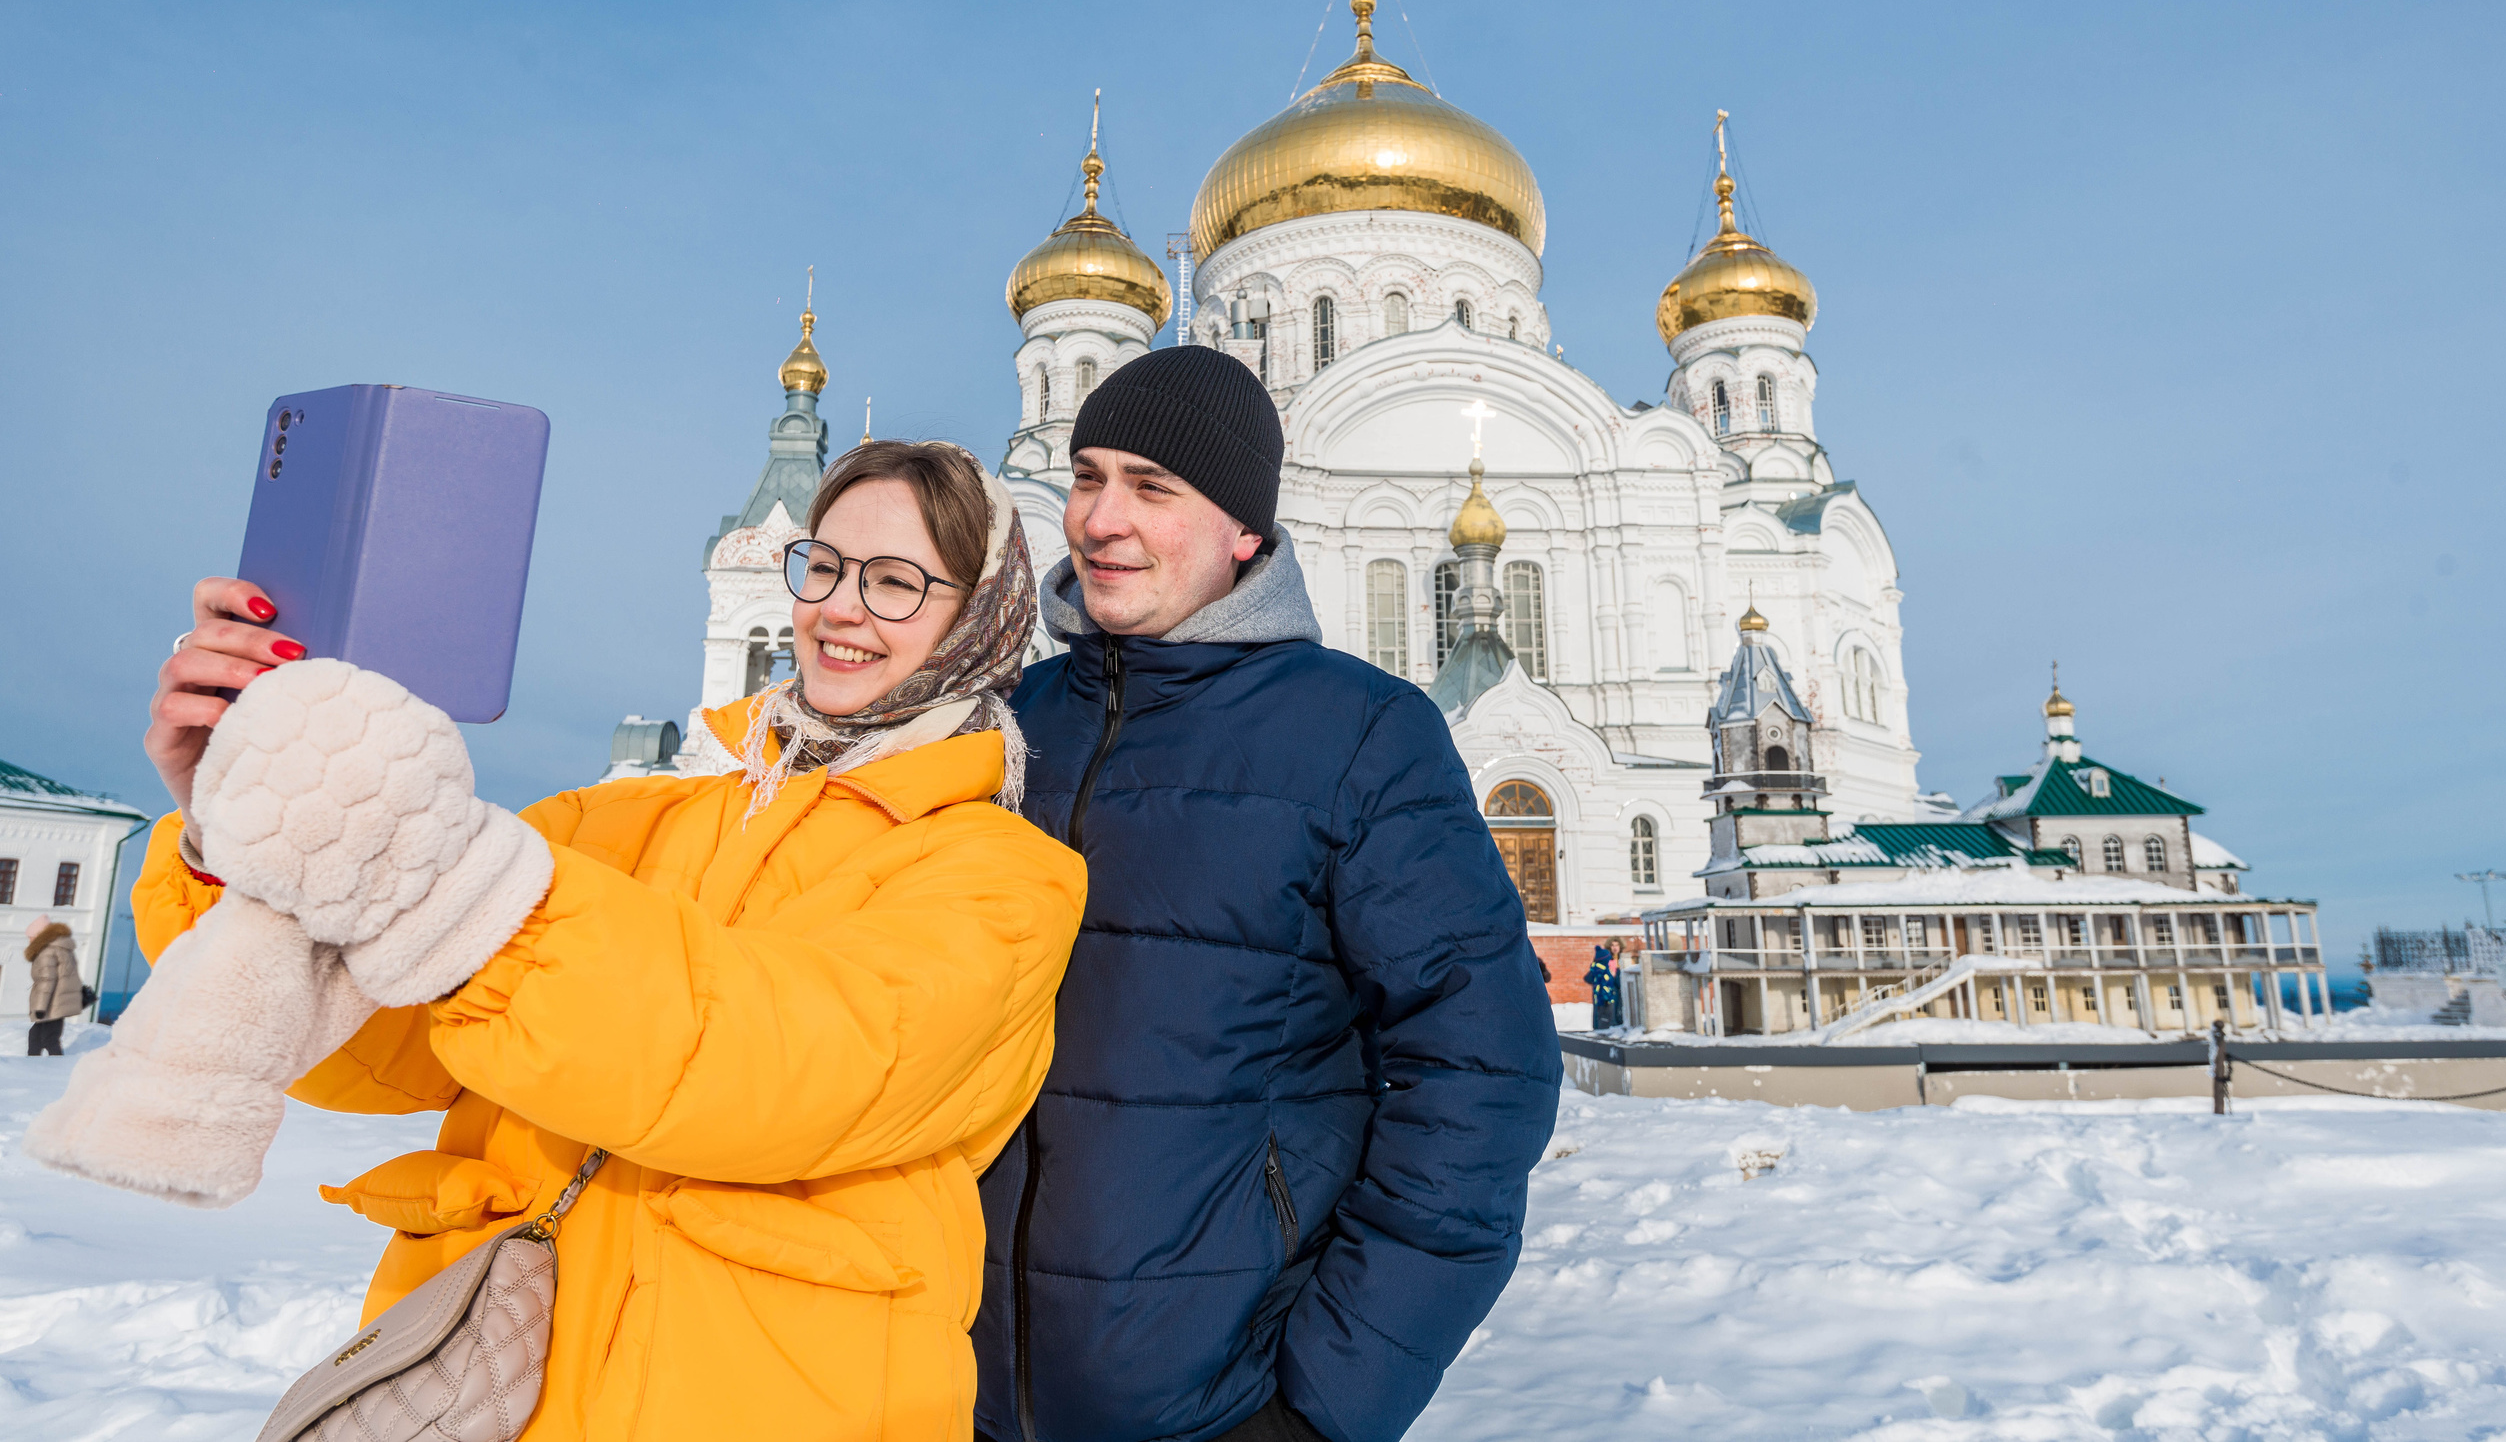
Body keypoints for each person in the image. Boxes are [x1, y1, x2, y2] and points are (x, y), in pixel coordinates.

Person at [60, 440, 1085, 1440]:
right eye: (823, 564)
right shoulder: (624, 818)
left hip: (766, 1402)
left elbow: (768, 1064)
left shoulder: (1000, 877)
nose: (837, 607)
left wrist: (455, 883)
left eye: (896, 581)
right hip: (496, 1385)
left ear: (980, 619)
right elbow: (379, 1043)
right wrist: (248, 820)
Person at [974, 347, 1562, 1442]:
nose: (1100, 518)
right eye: (1088, 476)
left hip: (1219, 1401)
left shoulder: (1356, 732)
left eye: (1152, 486)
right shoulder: (1008, 725)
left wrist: (1324, 1403)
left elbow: (1483, 1072)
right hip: (959, 1388)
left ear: (1245, 529)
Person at [24, 916, 82, 1055]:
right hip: (57, 1002)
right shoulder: (61, 948)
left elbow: (46, 981)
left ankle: (55, 1066)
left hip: (52, 1003)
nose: (29, 940)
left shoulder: (47, 952)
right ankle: (32, 1065)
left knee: (48, 1039)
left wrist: (40, 1008)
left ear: (40, 936)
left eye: (31, 937)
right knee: (36, 1037)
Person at [1584, 945, 1620, 1031]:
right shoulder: (1604, 970)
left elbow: (1588, 979)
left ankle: (1600, 1026)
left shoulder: (1595, 969)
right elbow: (1609, 983)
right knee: (1607, 1015)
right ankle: (1605, 1028)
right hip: (1606, 997)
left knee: (1600, 1014)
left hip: (1598, 996)